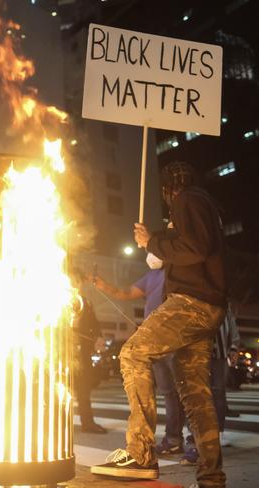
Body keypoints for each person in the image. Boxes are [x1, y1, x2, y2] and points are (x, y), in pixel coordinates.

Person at [91, 161, 227, 488]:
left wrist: (153, 241)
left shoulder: (188, 200)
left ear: (168, 188)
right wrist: (155, 241)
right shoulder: (204, 205)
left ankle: (141, 454)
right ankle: (211, 477)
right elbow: (192, 246)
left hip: (192, 303)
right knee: (195, 395)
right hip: (208, 307)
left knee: (133, 353)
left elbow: (194, 248)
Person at [93, 252, 187, 455]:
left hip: (170, 336)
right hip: (151, 339)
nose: (151, 255)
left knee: (181, 391)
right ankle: (171, 439)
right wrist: (104, 286)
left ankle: (184, 440)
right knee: (167, 391)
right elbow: (126, 293)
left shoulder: (175, 272)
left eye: (153, 249)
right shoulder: (150, 277)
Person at [182, 305, 241, 463]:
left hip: (219, 354)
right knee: (195, 393)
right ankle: (194, 435)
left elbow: (231, 325)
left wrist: (234, 348)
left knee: (218, 393)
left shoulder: (223, 303)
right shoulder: (192, 299)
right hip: (197, 353)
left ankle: (216, 435)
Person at [70, 271, 107, 434]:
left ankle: (88, 422)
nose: (76, 284)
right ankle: (58, 424)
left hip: (83, 351)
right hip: (63, 352)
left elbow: (94, 323)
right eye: (73, 280)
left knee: (84, 389)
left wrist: (99, 336)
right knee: (59, 389)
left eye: (78, 281)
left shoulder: (86, 302)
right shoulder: (58, 299)